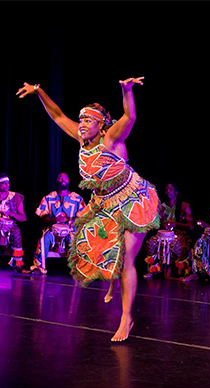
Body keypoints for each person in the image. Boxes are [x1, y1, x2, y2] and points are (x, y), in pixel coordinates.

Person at [17, 77, 160, 342]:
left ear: (101, 123)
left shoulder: (111, 138)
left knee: (126, 257)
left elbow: (130, 115)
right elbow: (58, 115)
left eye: (87, 121)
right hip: (104, 203)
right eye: (80, 120)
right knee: (96, 250)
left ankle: (126, 318)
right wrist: (38, 91)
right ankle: (113, 280)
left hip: (133, 200)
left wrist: (126, 90)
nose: (81, 124)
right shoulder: (81, 138)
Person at [31, 172, 86, 275]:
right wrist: (55, 220)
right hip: (52, 230)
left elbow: (85, 217)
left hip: (70, 230)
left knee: (73, 241)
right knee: (43, 240)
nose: (62, 179)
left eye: (65, 178)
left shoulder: (77, 198)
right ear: (57, 181)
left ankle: (77, 268)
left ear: (69, 182)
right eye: (60, 177)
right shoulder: (48, 198)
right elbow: (42, 218)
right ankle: (39, 267)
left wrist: (74, 221)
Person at [144, 182, 194, 278]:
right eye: (166, 190)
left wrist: (175, 224)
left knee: (178, 245)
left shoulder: (184, 206)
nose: (168, 192)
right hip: (163, 235)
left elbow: (191, 226)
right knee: (151, 243)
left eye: (171, 190)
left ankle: (184, 272)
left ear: (176, 193)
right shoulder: (161, 207)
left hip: (179, 234)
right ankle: (154, 269)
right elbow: (155, 224)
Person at [0, 173, 31, 273]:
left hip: (10, 226)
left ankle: (18, 265)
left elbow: (23, 218)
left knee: (16, 232)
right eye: (4, 183)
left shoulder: (15, 197)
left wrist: (12, 214)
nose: (7, 185)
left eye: (8, 183)